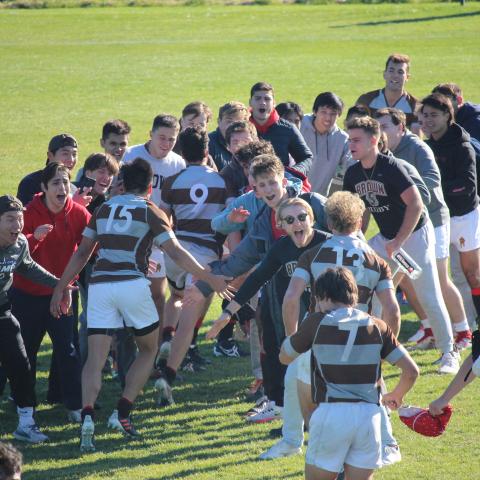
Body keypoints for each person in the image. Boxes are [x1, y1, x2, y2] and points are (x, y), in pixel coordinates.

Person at [49, 158, 232, 452]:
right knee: (148, 348)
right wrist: (208, 276)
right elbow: (176, 251)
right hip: (132, 286)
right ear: (149, 186)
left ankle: (87, 418)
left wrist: (61, 287)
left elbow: (83, 252)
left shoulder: (104, 208)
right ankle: (121, 414)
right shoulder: (150, 211)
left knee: (95, 359)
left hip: (99, 286)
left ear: (123, 181)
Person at [155, 154, 328, 413]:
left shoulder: (312, 203)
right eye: (263, 185)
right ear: (254, 190)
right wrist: (206, 290)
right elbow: (241, 262)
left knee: (320, 350)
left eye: (273, 183)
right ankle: (278, 403)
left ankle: (326, 404)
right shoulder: (263, 223)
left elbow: (345, 234)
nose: (269, 190)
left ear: (283, 180)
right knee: (273, 342)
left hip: (322, 294)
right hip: (279, 292)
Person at [274, 191, 400, 463]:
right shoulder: (376, 260)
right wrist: (385, 347)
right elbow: (392, 309)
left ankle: (294, 442)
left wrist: (293, 337)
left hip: (320, 335)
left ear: (329, 224)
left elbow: (291, 298)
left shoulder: (313, 255)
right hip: (361, 337)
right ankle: (387, 445)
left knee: (298, 383)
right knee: (370, 390)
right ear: (359, 223)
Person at [343, 116, 459, 374]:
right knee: (370, 293)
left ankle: (449, 352)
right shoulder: (353, 172)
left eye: (356, 140)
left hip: (414, 236)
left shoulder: (392, 167)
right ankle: (373, 349)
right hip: (387, 240)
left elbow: (417, 205)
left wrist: (398, 243)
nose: (350, 144)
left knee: (427, 294)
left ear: (373, 140)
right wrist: (357, 239)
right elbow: (357, 213)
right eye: (349, 139)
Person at [206, 197, 330, 437]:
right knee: (296, 376)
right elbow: (256, 278)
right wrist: (227, 313)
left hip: (328, 322)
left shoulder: (329, 243)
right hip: (296, 321)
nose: (297, 223)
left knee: (324, 375)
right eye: (290, 220)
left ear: (312, 219)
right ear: (281, 225)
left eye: (302, 217)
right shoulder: (282, 247)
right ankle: (298, 427)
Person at [280, 267, 419, 480]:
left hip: (332, 414)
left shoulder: (316, 322)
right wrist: (396, 395)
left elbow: (285, 357)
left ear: (322, 296)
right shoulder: (379, 326)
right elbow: (411, 372)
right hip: (370, 417)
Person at [375, 107, 472, 349]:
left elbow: (431, 182)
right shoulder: (383, 153)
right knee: (403, 278)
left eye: (384, 127)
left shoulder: (417, 148)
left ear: (400, 127)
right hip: (404, 230)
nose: (379, 133)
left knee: (438, 279)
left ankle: (462, 331)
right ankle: (428, 327)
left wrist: (403, 194)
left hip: (433, 223)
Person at [11, 163, 91, 423]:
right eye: (56, 183)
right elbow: (14, 255)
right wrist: (34, 237)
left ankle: (75, 406)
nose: (62, 187)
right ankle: (25, 405)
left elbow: (92, 249)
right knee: (26, 352)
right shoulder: (28, 214)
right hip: (27, 295)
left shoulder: (79, 214)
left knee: (67, 350)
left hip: (64, 294)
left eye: (65, 182)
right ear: (43, 188)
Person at [0, 195, 71, 443]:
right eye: (9, 219)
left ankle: (26, 424)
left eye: (19, 219)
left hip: (3, 313)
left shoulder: (19, 243)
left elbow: (27, 267)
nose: (16, 226)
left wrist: (60, 285)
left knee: (21, 365)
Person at [158, 126, 228, 370]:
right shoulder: (221, 181)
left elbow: (163, 222)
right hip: (206, 255)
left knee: (176, 296)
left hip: (176, 253)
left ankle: (167, 335)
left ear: (181, 152)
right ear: (207, 150)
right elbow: (229, 221)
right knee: (189, 317)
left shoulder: (171, 182)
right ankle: (172, 371)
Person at [122, 114, 185, 340]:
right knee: (130, 295)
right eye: (162, 138)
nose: (166, 144)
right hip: (132, 236)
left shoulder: (178, 163)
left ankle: (154, 347)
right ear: (150, 134)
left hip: (159, 238)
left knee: (158, 295)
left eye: (172, 139)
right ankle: (120, 349)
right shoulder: (132, 156)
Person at [421, 94, 480, 328]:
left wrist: (436, 192)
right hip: (439, 219)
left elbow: (467, 186)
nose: (428, 120)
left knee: (471, 274)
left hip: (464, 217)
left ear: (448, 116)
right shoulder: (426, 147)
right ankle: (460, 326)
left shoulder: (463, 146)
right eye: (425, 115)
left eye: (434, 115)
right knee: (442, 276)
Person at [249, 82, 313, 175]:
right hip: (244, 186)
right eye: (258, 98)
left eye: (267, 99)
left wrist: (291, 173)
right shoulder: (241, 128)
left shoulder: (288, 128)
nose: (262, 102)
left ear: (274, 103)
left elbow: (306, 158)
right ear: (250, 102)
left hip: (278, 185)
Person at [300, 92, 352, 196]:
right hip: (290, 196)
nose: (328, 118)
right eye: (323, 112)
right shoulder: (299, 125)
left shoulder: (342, 139)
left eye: (333, 113)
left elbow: (351, 163)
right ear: (315, 112)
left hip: (317, 199)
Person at [356, 53, 420, 133]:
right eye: (391, 71)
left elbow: (416, 139)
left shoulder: (415, 106)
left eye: (400, 72)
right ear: (384, 74)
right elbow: (355, 130)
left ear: (407, 77)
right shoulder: (366, 100)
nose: (395, 75)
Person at [209, 101, 250, 170]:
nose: (233, 126)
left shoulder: (250, 143)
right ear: (219, 121)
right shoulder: (209, 144)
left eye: (238, 122)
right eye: (229, 121)